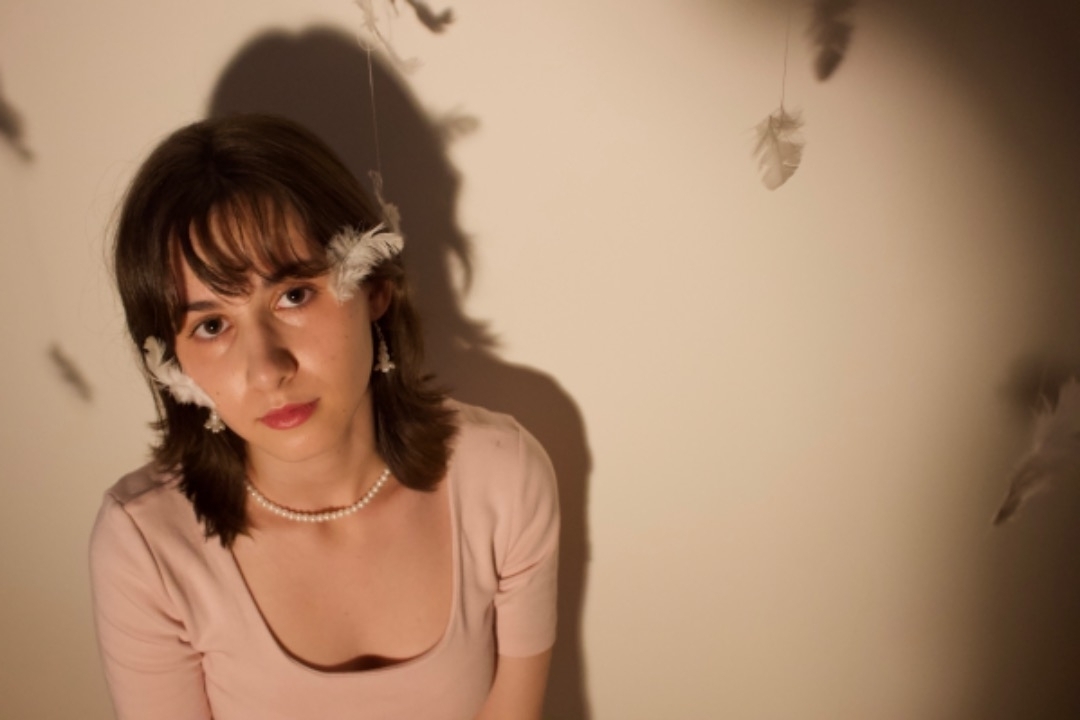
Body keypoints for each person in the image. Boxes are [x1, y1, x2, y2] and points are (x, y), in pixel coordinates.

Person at [89, 114, 559, 720]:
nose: (267, 369)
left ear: (375, 287)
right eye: (211, 325)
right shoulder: (147, 547)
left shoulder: (501, 477)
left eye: (293, 295)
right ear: (170, 361)